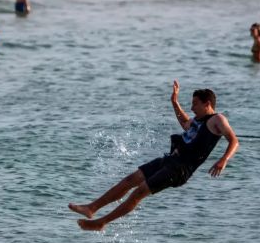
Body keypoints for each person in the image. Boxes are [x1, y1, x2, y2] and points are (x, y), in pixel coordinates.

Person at [68, 83, 238, 231]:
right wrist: (174, 103)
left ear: (207, 103)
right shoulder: (198, 121)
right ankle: (92, 208)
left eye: (195, 104)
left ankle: (101, 223)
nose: (192, 108)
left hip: (180, 169)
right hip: (169, 160)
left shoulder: (218, 119)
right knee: (130, 180)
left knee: (139, 192)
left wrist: (224, 159)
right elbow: (185, 124)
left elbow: (234, 141)